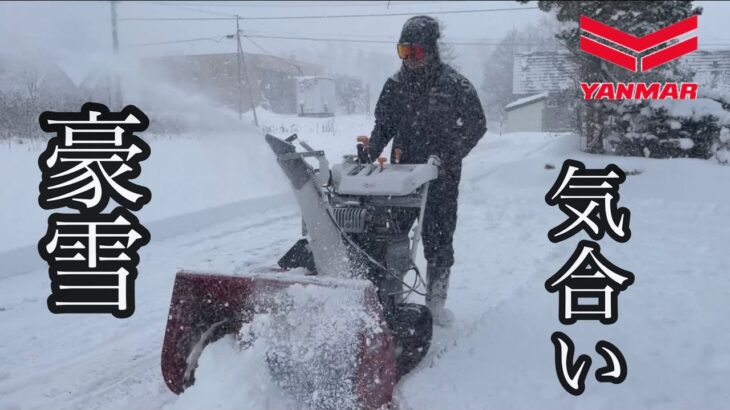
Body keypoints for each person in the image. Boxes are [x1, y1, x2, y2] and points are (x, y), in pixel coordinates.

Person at [358, 15, 487, 326]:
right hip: (401, 179)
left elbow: (477, 125)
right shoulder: (394, 86)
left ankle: (435, 305)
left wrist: (448, 155)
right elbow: (383, 127)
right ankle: (391, 300)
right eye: (403, 52)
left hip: (441, 178)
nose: (409, 59)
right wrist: (368, 153)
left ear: (430, 50)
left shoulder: (455, 85)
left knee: (438, 240)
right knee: (392, 238)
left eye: (414, 52)